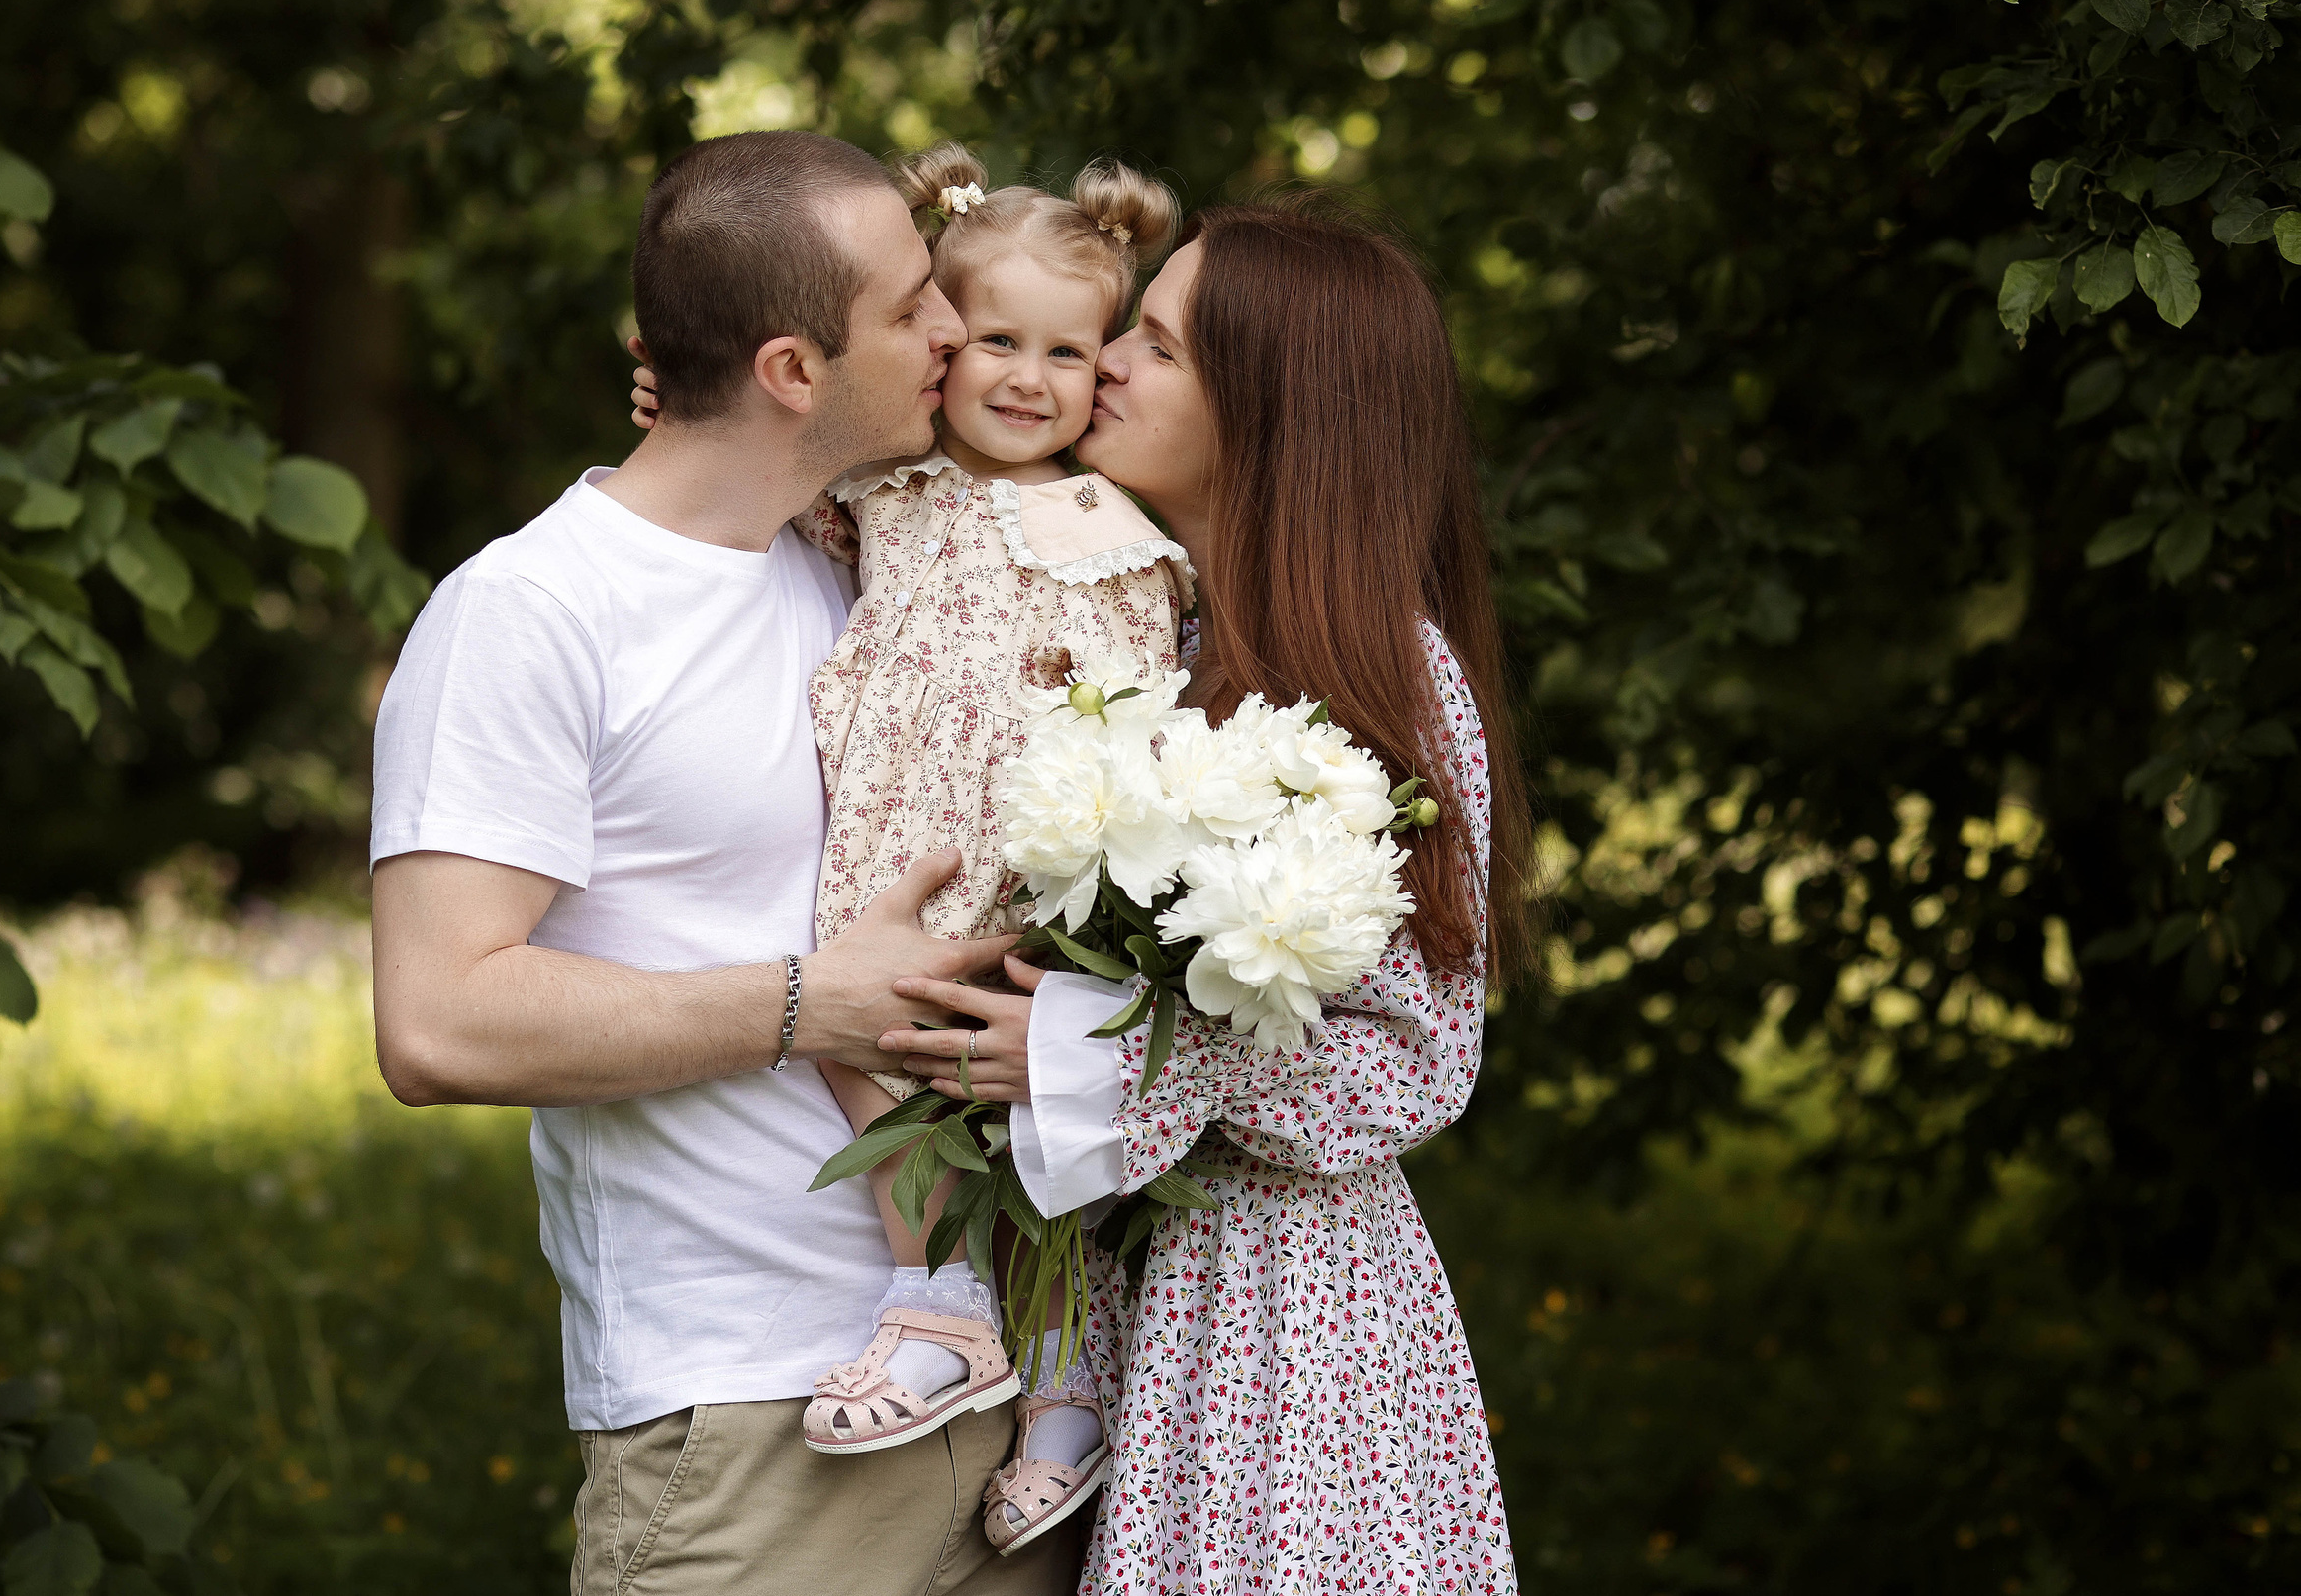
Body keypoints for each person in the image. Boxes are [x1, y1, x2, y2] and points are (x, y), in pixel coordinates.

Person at [368, 129, 1080, 1596]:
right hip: (752, 1425)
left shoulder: (873, 562)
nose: (955, 326)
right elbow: (436, 1022)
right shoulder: (530, 613)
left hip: (1016, 1413)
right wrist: (810, 1003)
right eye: (912, 310)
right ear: (789, 371)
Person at [873, 198, 1534, 1593]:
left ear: (1271, 410)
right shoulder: (1132, 624)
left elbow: (1416, 1067)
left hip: (1287, 1320)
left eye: (1157, 347)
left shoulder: (1385, 681)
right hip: (1125, 1302)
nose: (1102, 359)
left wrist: (1090, 1055)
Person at [630, 141, 1186, 1556]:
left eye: (1068, 351)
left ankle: (1062, 1376)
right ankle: (941, 1300)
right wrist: (668, 398)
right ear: (938, 336)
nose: (1026, 376)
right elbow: (743, 458)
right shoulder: (893, 490)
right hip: (894, 847)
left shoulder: (1127, 527)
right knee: (861, 1044)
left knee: (1035, 1105)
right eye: (994, 338)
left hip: (1041, 858)